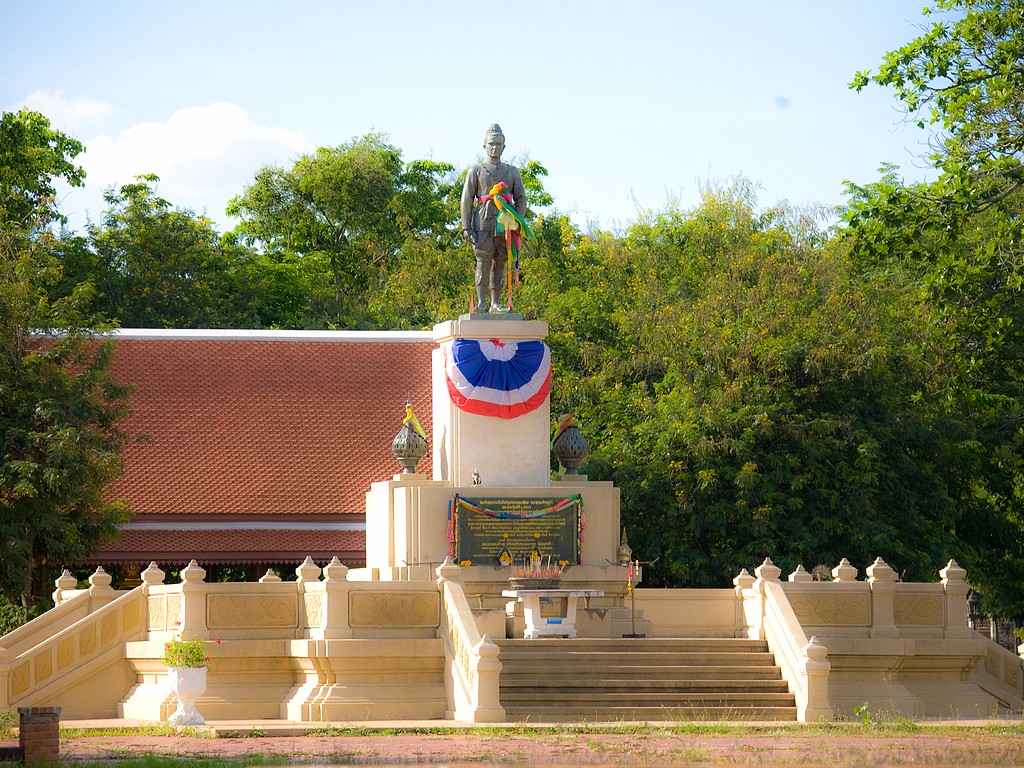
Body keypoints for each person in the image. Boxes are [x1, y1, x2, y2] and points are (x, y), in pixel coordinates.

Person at [460, 124, 528, 313]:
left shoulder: (512, 171)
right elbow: (466, 198)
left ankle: (495, 303)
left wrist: (517, 222)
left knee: (500, 261)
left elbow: (521, 198)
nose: (494, 148)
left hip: (504, 224)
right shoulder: (476, 170)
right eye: (491, 144)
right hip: (482, 221)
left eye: (498, 144)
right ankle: (481, 303)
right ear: (484, 146)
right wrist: (466, 227)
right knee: (483, 260)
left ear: (504, 147)